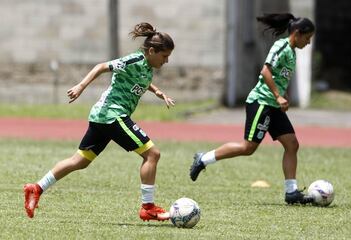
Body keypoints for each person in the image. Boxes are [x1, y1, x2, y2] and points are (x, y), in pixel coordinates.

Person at [24, 22, 175, 221]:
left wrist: (157, 91)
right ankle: (147, 207)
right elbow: (102, 66)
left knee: (79, 161)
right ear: (152, 51)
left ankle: (36, 188)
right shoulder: (134, 60)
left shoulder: (147, 66)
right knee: (152, 154)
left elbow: (140, 79)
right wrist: (80, 86)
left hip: (101, 117)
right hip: (113, 115)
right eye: (164, 56)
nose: (166, 61)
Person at [190, 13, 315, 204]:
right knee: (248, 148)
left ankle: (291, 193)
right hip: (261, 103)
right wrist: (277, 95)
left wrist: (283, 95)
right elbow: (265, 71)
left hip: (273, 105)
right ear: (297, 33)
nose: (308, 42)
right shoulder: (281, 46)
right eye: (307, 38)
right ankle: (203, 158)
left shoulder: (292, 52)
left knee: (292, 144)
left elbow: (279, 77)